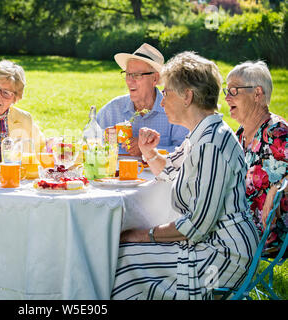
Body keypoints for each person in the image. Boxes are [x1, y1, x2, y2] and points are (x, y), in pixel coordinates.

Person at [111, 52, 259, 300]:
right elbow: (170, 172)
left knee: (122, 258)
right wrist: (149, 153)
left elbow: (197, 225)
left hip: (223, 256)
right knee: (119, 250)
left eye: (167, 93)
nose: (161, 102)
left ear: (187, 96)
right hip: (210, 244)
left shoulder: (212, 143)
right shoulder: (200, 135)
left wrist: (144, 235)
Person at [224, 61, 287, 257]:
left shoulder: (277, 132)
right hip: (236, 224)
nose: (226, 98)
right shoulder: (241, 133)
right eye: (226, 91)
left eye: (233, 91)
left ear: (257, 93)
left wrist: (278, 188)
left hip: (267, 233)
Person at [96, 43, 188, 155]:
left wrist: (148, 150)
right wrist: (104, 139)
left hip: (160, 173)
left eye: (137, 75)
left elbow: (185, 152)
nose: (129, 81)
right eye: (128, 74)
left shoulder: (174, 110)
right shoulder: (113, 109)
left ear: (154, 78)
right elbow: (89, 141)